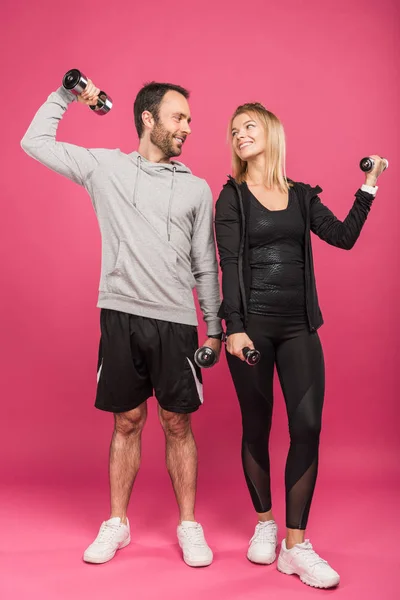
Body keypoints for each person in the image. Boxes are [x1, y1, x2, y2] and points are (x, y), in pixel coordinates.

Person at [21, 78, 223, 567]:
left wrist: (214, 327)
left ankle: (189, 525)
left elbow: (205, 263)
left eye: (189, 121)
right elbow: (34, 142)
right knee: (126, 421)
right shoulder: (103, 167)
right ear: (148, 119)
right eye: (179, 118)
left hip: (176, 321)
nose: (188, 129)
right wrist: (70, 95)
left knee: (177, 422)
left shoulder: (196, 188)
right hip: (120, 314)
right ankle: (118, 523)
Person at [214, 102, 386, 588]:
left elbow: (344, 237)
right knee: (256, 425)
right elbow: (228, 263)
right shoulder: (232, 197)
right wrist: (234, 326)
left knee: (306, 426)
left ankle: (295, 546)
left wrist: (368, 185)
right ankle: (265, 523)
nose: (240, 134)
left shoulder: (301, 196)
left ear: (271, 133)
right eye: (234, 131)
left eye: (249, 126)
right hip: (252, 329)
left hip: (299, 327)